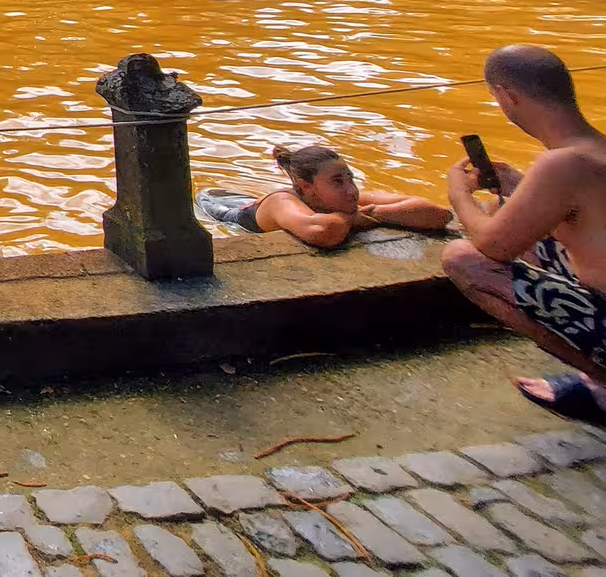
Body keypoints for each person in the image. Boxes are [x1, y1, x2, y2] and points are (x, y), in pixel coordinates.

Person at [441, 45, 606, 427]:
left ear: (506, 96)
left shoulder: (561, 163)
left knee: (463, 260)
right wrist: (519, 184)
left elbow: (491, 245)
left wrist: (459, 195)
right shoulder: (592, 148)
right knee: (514, 216)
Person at [200, 144, 452, 248]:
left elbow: (439, 215)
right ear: (305, 186)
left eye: (350, 179)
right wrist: (353, 218)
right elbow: (322, 233)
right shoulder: (283, 202)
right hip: (224, 211)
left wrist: (374, 213)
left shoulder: (349, 201)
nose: (351, 190)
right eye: (337, 182)